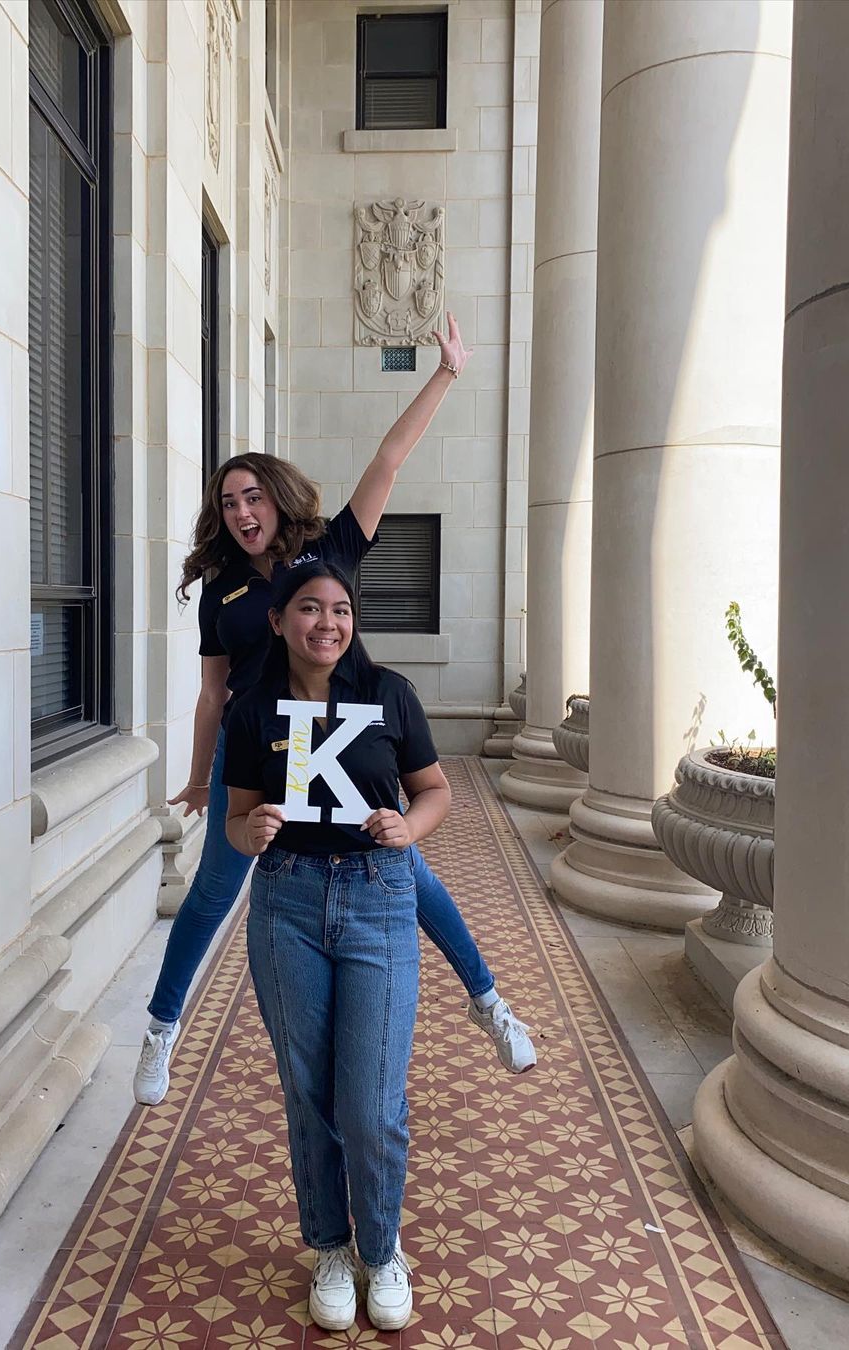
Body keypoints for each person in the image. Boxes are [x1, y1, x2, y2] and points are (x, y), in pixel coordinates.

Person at [134, 316, 536, 1106]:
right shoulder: (222, 589)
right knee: (213, 890)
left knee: (406, 867)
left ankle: (490, 1002)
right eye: (228, 501)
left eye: (252, 495)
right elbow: (214, 692)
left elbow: (388, 459)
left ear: (275, 498)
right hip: (258, 749)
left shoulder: (332, 548)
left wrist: (446, 372)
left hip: (340, 737)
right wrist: (201, 775)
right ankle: (160, 1029)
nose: (241, 510)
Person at [225, 562, 445, 1331]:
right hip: (285, 902)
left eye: (342, 609)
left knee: (371, 1100)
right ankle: (328, 1246)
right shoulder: (253, 709)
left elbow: (435, 789)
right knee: (310, 1092)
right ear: (279, 620)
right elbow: (237, 819)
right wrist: (249, 831)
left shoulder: (389, 695)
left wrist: (408, 826)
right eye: (311, 608)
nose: (328, 623)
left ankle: (381, 1250)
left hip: (379, 900)